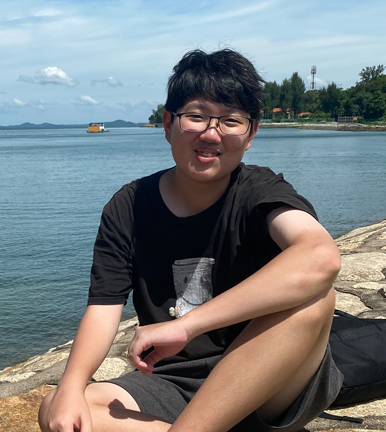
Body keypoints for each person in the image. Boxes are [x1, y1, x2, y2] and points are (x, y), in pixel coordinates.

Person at [38, 49, 343, 432]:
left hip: (269, 375)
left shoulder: (260, 192)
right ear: (168, 124)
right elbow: (103, 308)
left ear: (251, 134)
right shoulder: (129, 207)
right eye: (196, 117)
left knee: (314, 298)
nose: (211, 134)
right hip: (174, 382)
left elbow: (320, 257)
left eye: (231, 121)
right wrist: (70, 385)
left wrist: (187, 326)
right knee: (59, 410)